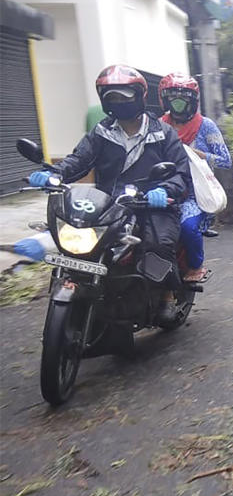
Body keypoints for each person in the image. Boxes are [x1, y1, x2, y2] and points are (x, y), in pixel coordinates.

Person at [28, 65, 190, 325]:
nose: (119, 102)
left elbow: (181, 175)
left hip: (151, 203)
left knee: (158, 243)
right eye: (112, 96)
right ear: (104, 100)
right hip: (110, 205)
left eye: (125, 95)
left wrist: (164, 190)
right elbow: (78, 160)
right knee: (78, 241)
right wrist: (53, 173)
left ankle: (167, 296)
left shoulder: (163, 132)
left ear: (139, 95)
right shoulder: (101, 132)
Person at [159, 72, 232, 283]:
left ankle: (196, 266)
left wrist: (200, 155)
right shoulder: (158, 125)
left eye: (184, 98)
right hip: (163, 190)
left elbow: (225, 161)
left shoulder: (206, 126)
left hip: (193, 195)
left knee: (188, 227)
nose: (178, 103)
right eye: (173, 98)